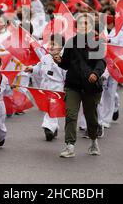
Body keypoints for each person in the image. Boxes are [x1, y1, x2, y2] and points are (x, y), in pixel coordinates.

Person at [55, 13, 106, 158]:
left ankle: (94, 140)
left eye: (86, 23)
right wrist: (59, 60)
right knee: (71, 114)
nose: (83, 26)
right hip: (73, 85)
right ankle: (69, 145)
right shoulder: (71, 42)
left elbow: (101, 63)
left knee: (91, 117)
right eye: (81, 23)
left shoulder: (96, 43)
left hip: (90, 87)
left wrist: (95, 74)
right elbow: (66, 64)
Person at [25, 34, 66, 141]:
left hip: (57, 88)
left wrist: (67, 87)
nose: (51, 46)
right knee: (48, 108)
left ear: (61, 47)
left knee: (51, 108)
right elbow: (39, 68)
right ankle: (54, 126)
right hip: (45, 87)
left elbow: (66, 74)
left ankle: (48, 128)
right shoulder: (45, 58)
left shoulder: (64, 60)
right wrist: (31, 68)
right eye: (50, 44)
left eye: (54, 44)